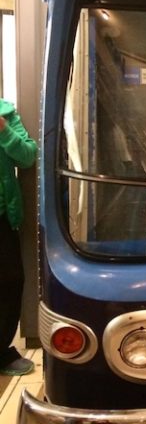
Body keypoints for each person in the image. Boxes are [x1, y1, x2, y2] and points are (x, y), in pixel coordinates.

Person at [0, 99, 38, 377]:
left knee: (11, 281)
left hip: (2, 217)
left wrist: (4, 131)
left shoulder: (7, 113)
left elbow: (28, 155)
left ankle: (1, 352)